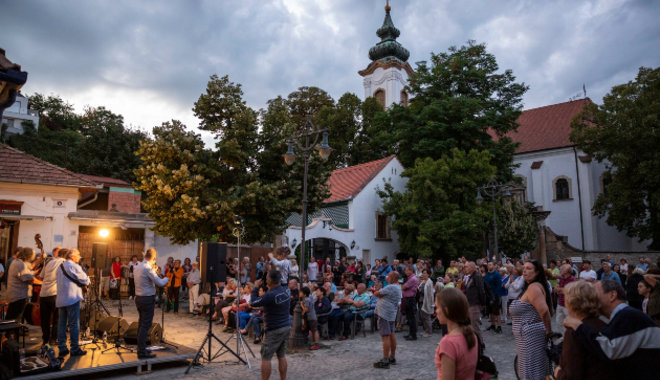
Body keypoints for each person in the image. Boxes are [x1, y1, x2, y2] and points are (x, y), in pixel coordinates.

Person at [564, 279, 660, 379]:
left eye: (594, 293)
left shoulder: (627, 315)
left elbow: (609, 349)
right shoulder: (623, 316)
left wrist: (578, 326)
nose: (591, 297)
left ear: (612, 295)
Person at [554, 281, 614, 380]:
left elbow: (571, 375)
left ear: (571, 303)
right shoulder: (603, 324)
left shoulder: (575, 330)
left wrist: (558, 373)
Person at [510, 260, 554, 380]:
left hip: (531, 337)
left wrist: (549, 332)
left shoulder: (534, 287)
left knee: (532, 372)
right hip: (529, 337)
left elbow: (545, 311)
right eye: (524, 268)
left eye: (529, 268)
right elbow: (550, 311)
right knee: (534, 370)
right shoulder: (536, 286)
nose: (524, 271)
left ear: (537, 272)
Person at [250, 270, 291, 380]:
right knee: (281, 355)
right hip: (286, 326)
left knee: (266, 357)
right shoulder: (286, 290)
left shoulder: (270, 295)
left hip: (274, 329)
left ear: (269, 280)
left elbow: (253, 302)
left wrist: (255, 288)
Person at [434, 287, 478, 380]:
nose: (436, 311)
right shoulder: (471, 335)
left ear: (446, 310)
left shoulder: (448, 343)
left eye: (437, 307)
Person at [133, 248, 169, 359]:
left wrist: (153, 270)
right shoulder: (148, 268)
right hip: (147, 299)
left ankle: (141, 348)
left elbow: (146, 278)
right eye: (155, 259)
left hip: (138, 297)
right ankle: (142, 352)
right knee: (145, 325)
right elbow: (160, 282)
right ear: (153, 258)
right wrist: (168, 278)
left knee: (141, 324)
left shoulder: (138, 266)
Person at [56, 249, 90, 357]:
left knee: (61, 324)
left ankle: (62, 348)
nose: (79, 257)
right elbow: (85, 280)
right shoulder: (74, 266)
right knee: (74, 324)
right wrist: (88, 279)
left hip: (61, 299)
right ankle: (75, 348)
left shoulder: (60, 267)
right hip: (72, 298)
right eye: (78, 255)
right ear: (72, 256)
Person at [373, 271, 402, 369]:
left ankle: (385, 360)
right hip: (391, 314)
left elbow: (378, 293)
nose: (386, 277)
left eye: (388, 276)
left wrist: (375, 289)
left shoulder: (391, 287)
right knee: (391, 334)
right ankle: (392, 357)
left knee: (385, 336)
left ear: (393, 278)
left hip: (384, 313)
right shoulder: (398, 287)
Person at [39, 247, 64, 345]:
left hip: (44, 294)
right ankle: (53, 339)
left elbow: (41, 276)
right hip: (55, 293)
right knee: (57, 318)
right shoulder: (64, 262)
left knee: (44, 319)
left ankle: (45, 340)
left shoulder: (48, 262)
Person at [6, 247, 35, 321]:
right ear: (29, 255)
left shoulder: (15, 261)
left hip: (14, 294)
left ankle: (8, 332)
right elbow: (28, 279)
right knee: (16, 318)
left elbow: (22, 274)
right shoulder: (21, 264)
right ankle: (12, 332)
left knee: (10, 317)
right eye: (33, 254)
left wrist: (31, 273)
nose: (34, 256)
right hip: (19, 296)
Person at [463, 261, 486, 345]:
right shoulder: (471, 277)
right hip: (470, 303)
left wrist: (483, 303)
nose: (466, 268)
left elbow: (481, 290)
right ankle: (474, 343)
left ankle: (480, 344)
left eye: (467, 267)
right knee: (471, 325)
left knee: (475, 326)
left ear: (472, 267)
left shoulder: (477, 277)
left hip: (475, 303)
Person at [553, 264, 575, 336]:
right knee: (559, 322)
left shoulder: (572, 279)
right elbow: (557, 288)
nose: (560, 270)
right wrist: (561, 289)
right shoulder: (562, 278)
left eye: (562, 269)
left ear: (566, 271)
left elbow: (568, 291)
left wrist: (560, 289)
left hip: (568, 305)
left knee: (570, 322)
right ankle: (565, 336)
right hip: (560, 303)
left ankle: (572, 337)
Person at [484, 261, 503, 333]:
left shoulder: (497, 274)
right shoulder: (487, 274)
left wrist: (495, 296)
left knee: (497, 311)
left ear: (494, 266)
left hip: (495, 295)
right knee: (491, 311)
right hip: (488, 296)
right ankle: (492, 325)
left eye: (490, 264)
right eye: (488, 265)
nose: (489, 266)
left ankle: (499, 326)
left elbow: (499, 286)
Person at [419, 269, 435, 337]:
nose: (423, 274)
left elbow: (430, 294)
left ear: (428, 274)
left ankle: (429, 332)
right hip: (421, 300)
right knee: (423, 317)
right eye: (423, 273)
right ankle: (426, 330)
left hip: (426, 301)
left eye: (425, 273)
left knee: (427, 317)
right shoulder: (422, 281)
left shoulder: (429, 282)